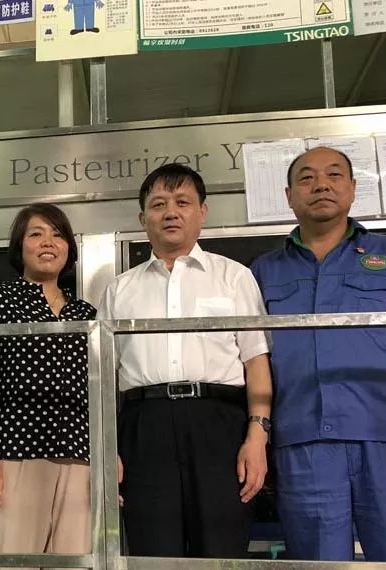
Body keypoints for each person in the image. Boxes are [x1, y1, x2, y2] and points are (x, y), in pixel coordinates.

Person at [250, 146, 386, 562]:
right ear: (289, 195)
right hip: (303, 442)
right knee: (319, 563)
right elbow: (254, 361)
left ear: (352, 188)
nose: (321, 185)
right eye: (307, 178)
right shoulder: (263, 271)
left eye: (334, 175)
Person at [98, 163, 273, 558]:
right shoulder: (120, 290)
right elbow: (104, 379)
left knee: (222, 553)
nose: (171, 212)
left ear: (202, 212)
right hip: (144, 429)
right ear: (143, 219)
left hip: (219, 427)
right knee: (153, 554)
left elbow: (256, 362)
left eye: (182, 202)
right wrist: (108, 448)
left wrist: (257, 436)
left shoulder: (234, 277)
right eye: (158, 204)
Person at [0, 203, 96, 564]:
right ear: (20, 246)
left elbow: (96, 391)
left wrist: (106, 453)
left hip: (79, 457)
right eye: (36, 234)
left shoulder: (86, 313)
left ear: (69, 247)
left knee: (75, 564)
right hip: (14, 454)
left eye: (57, 235)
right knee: (15, 562)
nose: (48, 242)